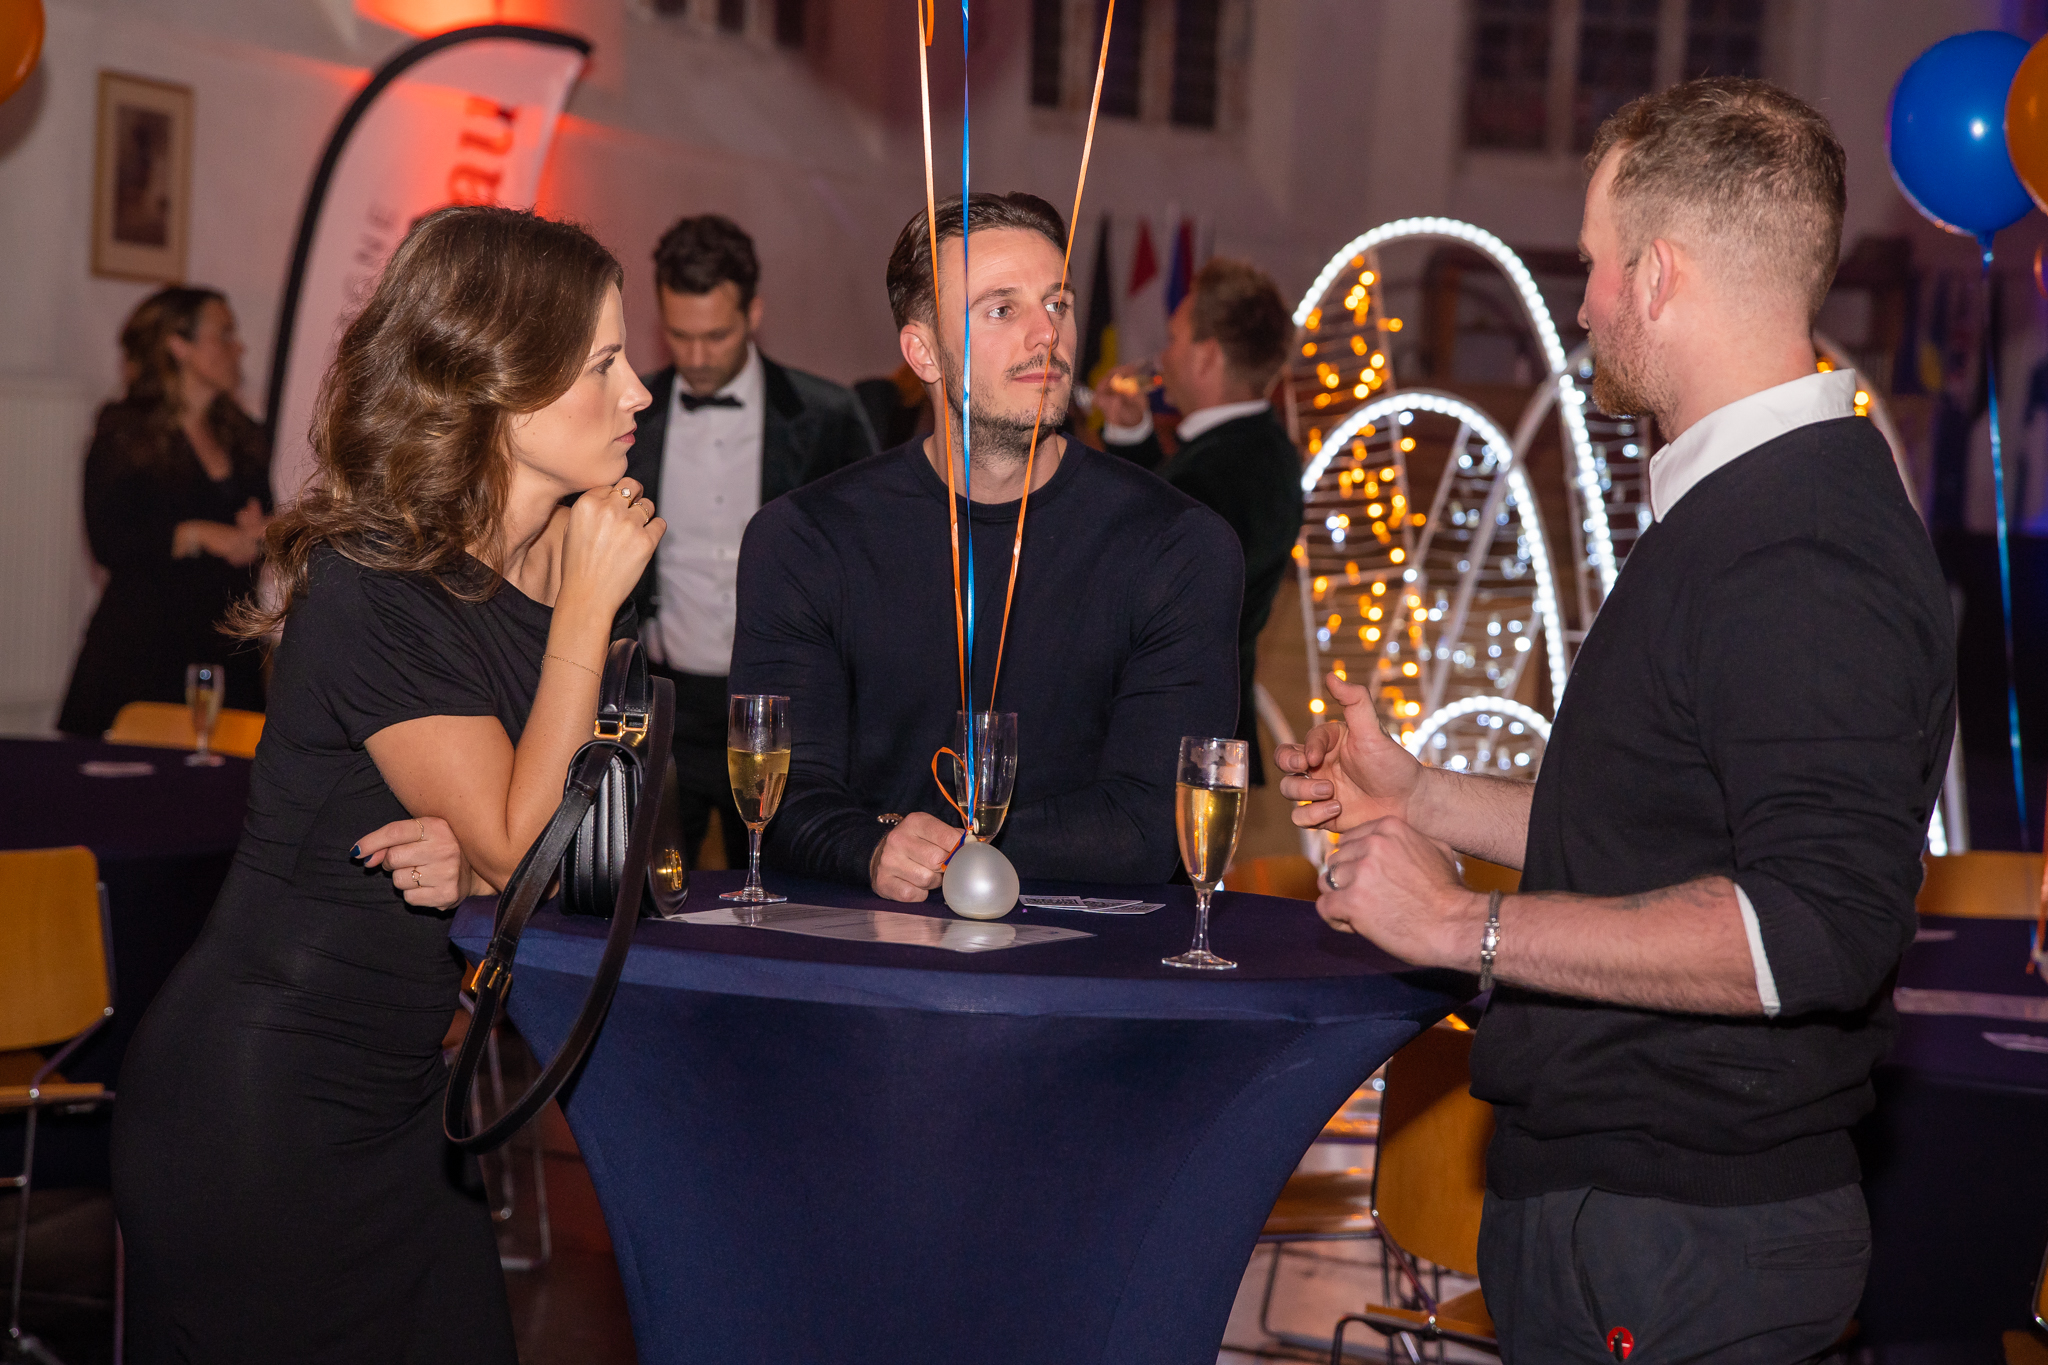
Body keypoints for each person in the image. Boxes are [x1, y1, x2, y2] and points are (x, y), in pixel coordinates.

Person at [1280, 78, 1953, 1359]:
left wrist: (1457, 926)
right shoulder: (1748, 506)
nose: (1581, 304)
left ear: (1656, 274)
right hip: (1638, 1214)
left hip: (1685, 1229)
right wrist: (1420, 795)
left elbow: (1809, 929)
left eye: (1592, 265)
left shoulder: (1800, 546)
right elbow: (1652, 827)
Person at [113, 206, 664, 1361]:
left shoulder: (563, 564)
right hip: (264, 1104)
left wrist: (477, 867)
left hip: (409, 1098)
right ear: (499, 382)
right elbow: (525, 845)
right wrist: (585, 617)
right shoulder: (376, 584)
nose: (637, 394)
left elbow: (606, 862)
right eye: (602, 364)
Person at [727, 192, 1241, 900]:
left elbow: (1148, 825)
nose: (1047, 335)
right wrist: (875, 851)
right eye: (1002, 309)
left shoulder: (1178, 547)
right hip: (864, 946)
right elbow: (780, 802)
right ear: (923, 353)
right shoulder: (805, 539)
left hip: (1088, 951)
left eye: (1057, 304)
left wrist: (939, 851)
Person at [625, 213, 877, 870]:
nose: (697, 358)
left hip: (781, 701)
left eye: (716, 335)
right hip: (664, 701)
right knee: (650, 889)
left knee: (780, 888)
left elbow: (871, 564)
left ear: (753, 314)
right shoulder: (629, 417)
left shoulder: (827, 416)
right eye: (680, 336)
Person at [1096, 258, 1302, 784]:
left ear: (1208, 355)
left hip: (1177, 745)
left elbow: (1149, 564)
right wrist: (1133, 435)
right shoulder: (1252, 451)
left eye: (1174, 339)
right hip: (1199, 736)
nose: (1162, 357)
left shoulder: (1229, 466)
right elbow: (1166, 517)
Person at [57, 286, 271, 737]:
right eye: (224, 334)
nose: (239, 347)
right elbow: (109, 540)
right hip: (145, 649)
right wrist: (198, 534)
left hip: (228, 650)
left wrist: (265, 534)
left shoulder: (244, 435)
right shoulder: (125, 431)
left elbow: (261, 523)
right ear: (179, 346)